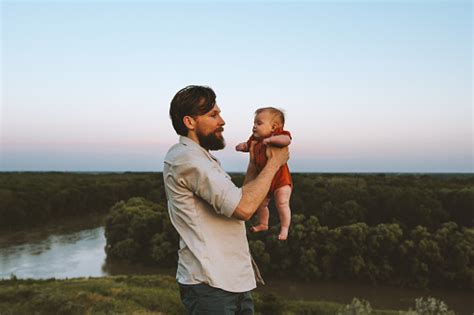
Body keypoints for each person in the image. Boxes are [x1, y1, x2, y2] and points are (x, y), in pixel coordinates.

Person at [163, 85, 289, 314]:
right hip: (210, 285)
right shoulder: (187, 159)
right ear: (190, 122)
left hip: (232, 281)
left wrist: (254, 162)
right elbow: (244, 208)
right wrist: (275, 162)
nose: (222, 121)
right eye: (213, 114)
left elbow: (240, 197)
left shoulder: (203, 159)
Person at [235, 107, 293, 240]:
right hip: (265, 180)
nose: (254, 127)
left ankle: (284, 228)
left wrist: (272, 141)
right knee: (260, 203)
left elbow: (286, 140)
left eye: (259, 123)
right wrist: (242, 146)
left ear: (274, 127)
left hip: (281, 180)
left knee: (282, 203)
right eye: (254, 123)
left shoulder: (277, 134)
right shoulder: (255, 139)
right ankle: (263, 223)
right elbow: (248, 146)